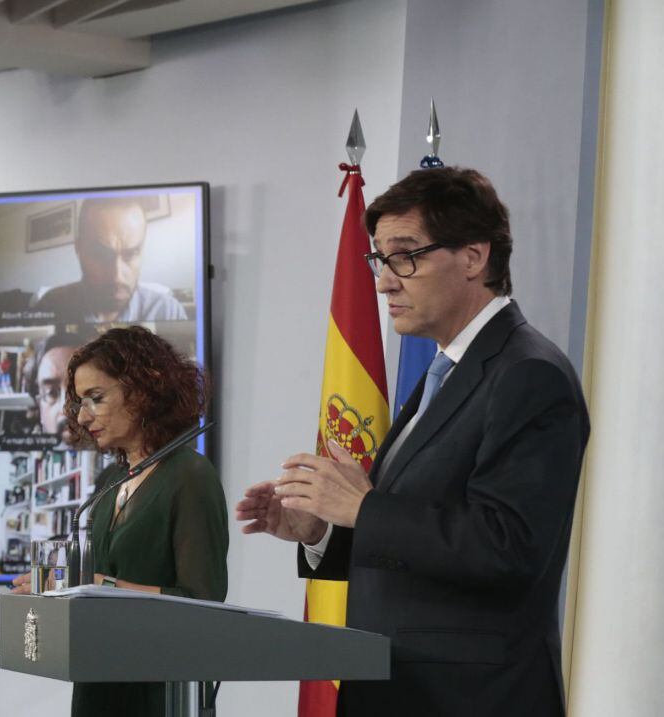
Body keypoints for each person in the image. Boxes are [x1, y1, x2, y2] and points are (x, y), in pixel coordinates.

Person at [236, 167, 590, 717]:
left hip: (472, 700)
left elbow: (510, 548)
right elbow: (413, 540)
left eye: (405, 256)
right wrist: (322, 532)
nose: (384, 282)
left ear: (474, 257)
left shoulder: (528, 374)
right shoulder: (445, 371)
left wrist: (365, 507)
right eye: (378, 259)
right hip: (394, 689)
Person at [12, 325, 227, 717]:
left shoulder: (190, 476)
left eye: (96, 398)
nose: (82, 415)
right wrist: (58, 587)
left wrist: (102, 586)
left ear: (145, 391)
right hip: (100, 680)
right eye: (78, 402)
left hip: (161, 690)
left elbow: (205, 604)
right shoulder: (111, 481)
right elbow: (95, 580)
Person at [33, 197, 188, 323]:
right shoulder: (50, 306)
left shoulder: (169, 312)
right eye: (101, 255)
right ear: (78, 250)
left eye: (131, 254)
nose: (117, 276)